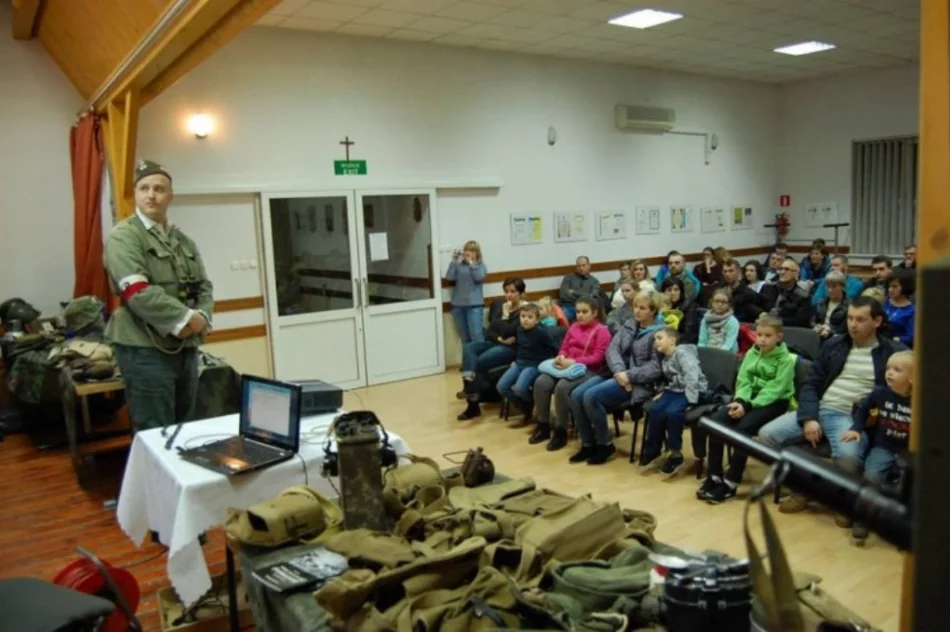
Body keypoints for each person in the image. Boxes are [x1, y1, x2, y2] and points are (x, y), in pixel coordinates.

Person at [757, 296, 905, 518]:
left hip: (851, 416)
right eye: (850, 318)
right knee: (766, 435)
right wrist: (808, 418)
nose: (853, 324)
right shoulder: (835, 344)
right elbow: (811, 384)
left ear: (877, 321)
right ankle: (802, 488)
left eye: (860, 319)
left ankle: (843, 501)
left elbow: (897, 394)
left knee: (849, 456)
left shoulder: (891, 353)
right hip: (820, 407)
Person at [103, 160, 213, 432]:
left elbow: (204, 286)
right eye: (144, 188)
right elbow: (137, 292)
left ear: (170, 195)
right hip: (144, 349)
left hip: (186, 347)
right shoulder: (124, 237)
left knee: (185, 427)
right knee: (155, 431)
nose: (151, 194)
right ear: (136, 194)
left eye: (159, 188)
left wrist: (202, 316)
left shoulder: (182, 240)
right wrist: (187, 319)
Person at [697, 314, 796, 504]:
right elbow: (744, 380)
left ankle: (731, 481)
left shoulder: (785, 359)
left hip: (774, 403)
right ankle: (715, 475)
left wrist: (749, 405)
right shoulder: (752, 353)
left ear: (779, 337)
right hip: (747, 400)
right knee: (716, 423)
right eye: (759, 335)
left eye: (768, 335)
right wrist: (741, 401)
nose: (762, 339)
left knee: (743, 430)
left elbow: (775, 390)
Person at [569, 290, 664, 465]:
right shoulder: (630, 324)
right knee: (576, 395)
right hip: (616, 374)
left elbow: (656, 368)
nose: (636, 311)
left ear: (653, 311)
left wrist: (628, 375)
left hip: (639, 382)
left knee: (591, 397)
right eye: (635, 306)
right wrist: (620, 372)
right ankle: (588, 444)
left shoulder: (659, 333)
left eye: (642, 308)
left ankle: (605, 444)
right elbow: (612, 350)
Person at [843, 351, 913, 543]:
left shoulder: (921, 400)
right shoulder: (880, 393)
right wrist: (856, 428)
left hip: (909, 452)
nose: (889, 373)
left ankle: (902, 524)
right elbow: (863, 408)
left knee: (908, 488)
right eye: (888, 368)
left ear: (913, 378)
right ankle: (862, 518)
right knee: (871, 477)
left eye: (897, 370)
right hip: (884, 447)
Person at [531, 297, 611, 449]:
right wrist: (561, 355)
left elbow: (598, 358)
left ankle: (561, 431)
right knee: (541, 381)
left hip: (588, 370)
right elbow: (564, 346)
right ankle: (543, 425)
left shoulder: (602, 331)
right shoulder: (573, 327)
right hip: (567, 366)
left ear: (594, 313)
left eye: (584, 312)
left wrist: (574, 362)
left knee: (562, 387)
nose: (580, 315)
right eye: (578, 312)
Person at [639, 328, 708, 477]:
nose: (655, 341)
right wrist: (665, 392)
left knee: (672, 413)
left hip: (693, 390)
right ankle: (653, 450)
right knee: (656, 411)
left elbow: (692, 377)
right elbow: (672, 379)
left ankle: (676, 454)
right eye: (654, 339)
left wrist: (691, 401)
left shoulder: (682, 354)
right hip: (675, 390)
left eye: (659, 338)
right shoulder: (664, 357)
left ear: (672, 340)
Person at [457, 277, 527, 421]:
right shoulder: (503, 307)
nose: (509, 295)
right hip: (499, 343)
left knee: (480, 361)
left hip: (513, 348)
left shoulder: (524, 311)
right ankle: (470, 385)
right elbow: (490, 331)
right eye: (506, 292)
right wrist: (500, 338)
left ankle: (472, 404)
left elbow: (509, 331)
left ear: (521, 293)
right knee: (470, 348)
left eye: (513, 292)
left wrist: (506, 316)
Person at [496, 303, 558, 424]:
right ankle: (526, 406)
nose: (525, 320)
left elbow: (554, 348)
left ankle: (530, 405)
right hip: (519, 363)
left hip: (534, 365)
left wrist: (548, 362)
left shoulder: (541, 332)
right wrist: (514, 360)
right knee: (501, 387)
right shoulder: (519, 329)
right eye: (523, 316)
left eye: (530, 317)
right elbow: (519, 346)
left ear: (536, 320)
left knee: (519, 389)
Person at [445, 240, 487, 345]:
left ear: (477, 253)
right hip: (458, 306)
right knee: (464, 338)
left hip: (475, 306)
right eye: (466, 250)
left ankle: (481, 360)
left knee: (476, 335)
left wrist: (471, 264)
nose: (468, 253)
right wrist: (454, 261)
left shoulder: (480, 266)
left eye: (472, 250)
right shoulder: (459, 265)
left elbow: (479, 277)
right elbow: (449, 277)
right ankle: (469, 360)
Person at [760, 258, 811, 328]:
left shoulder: (802, 296)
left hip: (788, 330)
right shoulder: (767, 288)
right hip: (764, 327)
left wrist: (774, 321)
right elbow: (757, 305)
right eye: (781, 269)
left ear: (796, 274)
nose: (782, 272)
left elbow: (801, 321)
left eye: (787, 269)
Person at [719, 258, 764, 323]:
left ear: (739, 272)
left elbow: (748, 317)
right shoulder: (720, 290)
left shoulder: (748, 294)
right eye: (725, 271)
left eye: (731, 271)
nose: (727, 274)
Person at [559, 256, 601, 321]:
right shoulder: (568, 277)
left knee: (593, 315)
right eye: (579, 266)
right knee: (564, 315)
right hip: (569, 307)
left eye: (583, 265)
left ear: (589, 266)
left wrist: (574, 292)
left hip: (585, 309)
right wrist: (584, 296)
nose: (581, 268)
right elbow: (564, 294)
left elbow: (592, 297)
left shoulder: (594, 281)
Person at [660, 276, 700, 344]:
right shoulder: (660, 307)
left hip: (682, 344)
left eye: (676, 290)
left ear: (681, 292)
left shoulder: (690, 306)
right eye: (669, 290)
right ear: (663, 292)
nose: (673, 293)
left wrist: (670, 343)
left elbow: (689, 335)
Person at [699, 288, 739, 353]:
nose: (720, 304)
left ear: (729, 304)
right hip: (708, 353)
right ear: (712, 302)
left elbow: (729, 344)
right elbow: (702, 342)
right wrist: (702, 354)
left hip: (727, 354)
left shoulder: (733, 321)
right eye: (717, 301)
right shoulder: (705, 320)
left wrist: (717, 356)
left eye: (723, 302)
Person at [812, 271, 849, 342]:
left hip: (837, 340)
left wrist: (829, 331)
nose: (830, 290)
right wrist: (817, 326)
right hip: (819, 336)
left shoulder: (849, 306)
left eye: (834, 286)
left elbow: (844, 329)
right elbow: (813, 320)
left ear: (842, 286)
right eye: (828, 286)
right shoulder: (821, 303)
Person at [884, 272, 915, 347]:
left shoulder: (912, 310)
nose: (890, 289)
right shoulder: (884, 302)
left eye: (894, 286)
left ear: (905, 287)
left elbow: (911, 337)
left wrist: (893, 339)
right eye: (889, 286)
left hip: (898, 347)